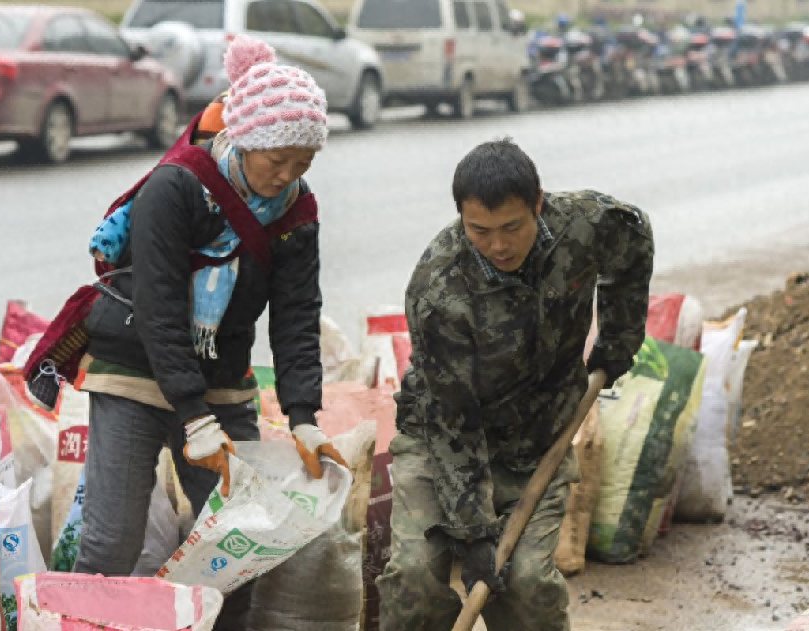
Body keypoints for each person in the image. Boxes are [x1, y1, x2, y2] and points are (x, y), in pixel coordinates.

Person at [35, 34, 347, 630]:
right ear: (243, 137)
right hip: (135, 369)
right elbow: (158, 307)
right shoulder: (175, 186)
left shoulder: (295, 211)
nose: (286, 177)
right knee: (111, 544)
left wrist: (304, 415)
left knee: (237, 546)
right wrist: (191, 417)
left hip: (222, 382)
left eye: (301, 164)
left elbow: (297, 314)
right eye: (275, 159)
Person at [376, 139, 654, 631]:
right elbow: (451, 420)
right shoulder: (439, 289)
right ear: (461, 216)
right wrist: (476, 533)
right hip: (441, 437)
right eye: (479, 230)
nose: (499, 245)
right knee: (414, 577)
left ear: (538, 205)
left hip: (537, 439)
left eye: (512, 227)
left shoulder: (586, 225)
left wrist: (619, 339)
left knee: (526, 585)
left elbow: (633, 241)